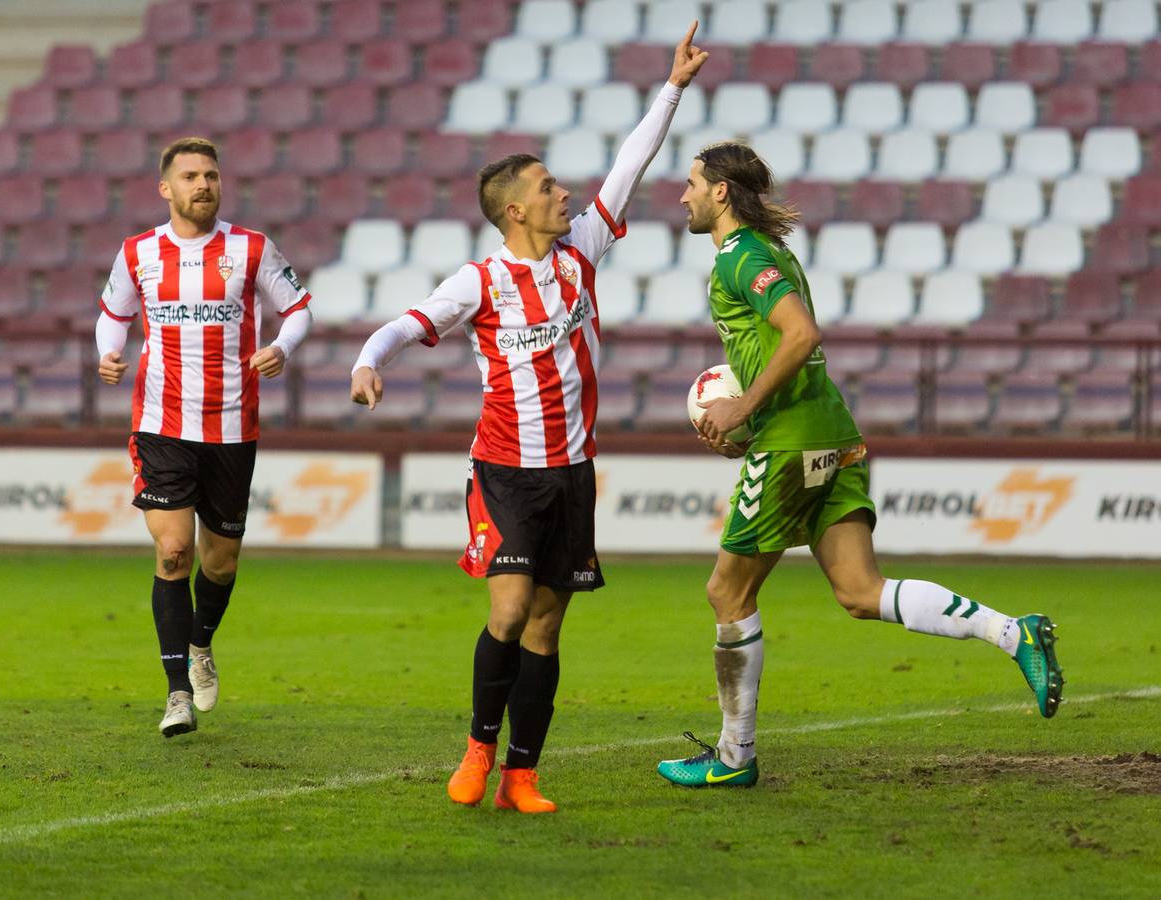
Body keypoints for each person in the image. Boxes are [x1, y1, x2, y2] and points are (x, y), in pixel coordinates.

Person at [349, 27, 708, 813]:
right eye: (547, 187)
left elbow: (630, 164)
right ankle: (477, 751)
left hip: (571, 472)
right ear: (515, 209)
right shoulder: (479, 280)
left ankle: (522, 773)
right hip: (505, 471)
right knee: (508, 610)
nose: (564, 194)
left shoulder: (581, 252)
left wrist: (672, 86)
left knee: (546, 626)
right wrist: (369, 361)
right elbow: (405, 325)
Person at [654, 141, 1063, 788]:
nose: (683, 196)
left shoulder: (741, 258)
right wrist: (752, 410)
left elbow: (802, 335)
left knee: (726, 592)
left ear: (721, 192)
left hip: (792, 442)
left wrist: (745, 410)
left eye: (691, 184)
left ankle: (735, 758)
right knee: (860, 593)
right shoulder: (774, 253)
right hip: (832, 433)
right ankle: (1016, 634)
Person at [96, 137, 315, 737]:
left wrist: (281, 346)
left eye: (211, 175)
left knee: (220, 563)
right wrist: (109, 353)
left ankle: (200, 643)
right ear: (165, 188)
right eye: (190, 175)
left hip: (231, 427)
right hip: (161, 425)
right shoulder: (137, 252)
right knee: (173, 553)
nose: (203, 184)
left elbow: (298, 307)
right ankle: (175, 695)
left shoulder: (251, 248)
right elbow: (113, 315)